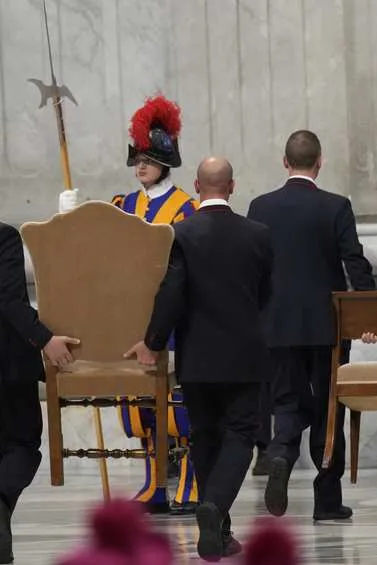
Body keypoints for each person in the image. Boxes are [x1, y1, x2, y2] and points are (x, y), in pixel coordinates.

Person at [124, 157, 273, 559]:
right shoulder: (258, 235)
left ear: (195, 185)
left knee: (204, 437)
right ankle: (215, 509)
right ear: (232, 186)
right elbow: (267, 295)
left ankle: (219, 531)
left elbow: (171, 294)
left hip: (198, 357)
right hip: (244, 355)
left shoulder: (180, 234)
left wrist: (152, 341)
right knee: (241, 433)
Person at [247, 130, 375, 522]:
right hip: (328, 325)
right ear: (320, 161)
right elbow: (354, 261)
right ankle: (327, 498)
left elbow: (253, 267)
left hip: (276, 325)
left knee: (286, 399)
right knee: (329, 407)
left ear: (285, 162)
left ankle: (282, 451)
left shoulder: (260, 207)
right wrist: (370, 313)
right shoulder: (336, 206)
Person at [110, 95, 200, 515]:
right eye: (136, 159)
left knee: (178, 404)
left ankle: (188, 479)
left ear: (165, 161)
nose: (139, 166)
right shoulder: (121, 206)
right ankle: (154, 483)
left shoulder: (188, 208)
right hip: (132, 317)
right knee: (142, 405)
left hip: (175, 318)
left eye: (147, 158)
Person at [0, 222, 78, 564]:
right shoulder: (3, 235)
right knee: (21, 446)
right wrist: (44, 337)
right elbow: (9, 298)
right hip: (7, 363)